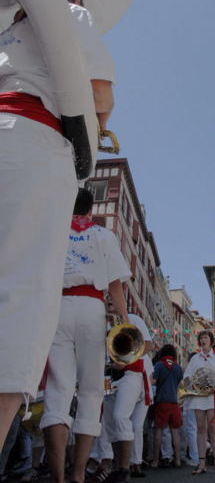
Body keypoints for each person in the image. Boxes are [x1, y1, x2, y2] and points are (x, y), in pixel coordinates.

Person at [0, 0, 116, 451]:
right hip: (31, 140)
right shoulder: (71, 12)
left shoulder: (6, 28)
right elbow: (100, 96)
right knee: (23, 292)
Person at [39, 187, 130, 483]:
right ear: (92, 209)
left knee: (58, 391)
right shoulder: (104, 236)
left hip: (57, 306)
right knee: (91, 392)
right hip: (92, 307)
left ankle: (58, 478)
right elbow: (115, 285)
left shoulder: (54, 230)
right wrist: (126, 322)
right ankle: (78, 474)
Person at [104, 312, 152, 483]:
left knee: (120, 416)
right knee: (110, 423)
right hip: (107, 377)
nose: (109, 302)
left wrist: (125, 361)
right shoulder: (98, 318)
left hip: (130, 374)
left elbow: (147, 345)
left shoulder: (133, 319)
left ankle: (125, 468)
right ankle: (118, 468)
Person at [183, 330, 215, 475]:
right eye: (201, 338)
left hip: (213, 395)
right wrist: (193, 382)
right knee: (200, 428)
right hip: (198, 395)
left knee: (213, 427)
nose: (203, 340)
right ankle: (201, 463)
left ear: (211, 340)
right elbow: (187, 376)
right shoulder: (195, 358)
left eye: (206, 338)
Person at [150, 344, 183, 468]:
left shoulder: (159, 365)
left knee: (158, 431)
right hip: (174, 403)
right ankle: (178, 460)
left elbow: (153, 381)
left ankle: (155, 460)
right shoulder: (178, 367)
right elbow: (181, 383)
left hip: (162, 402)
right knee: (175, 432)